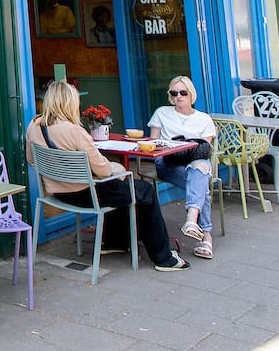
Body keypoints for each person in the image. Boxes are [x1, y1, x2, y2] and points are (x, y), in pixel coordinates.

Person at [26, 79, 189, 271]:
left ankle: (115, 243)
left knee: (121, 188)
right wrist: (116, 168)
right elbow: (103, 170)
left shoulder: (34, 127)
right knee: (143, 189)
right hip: (86, 196)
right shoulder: (75, 132)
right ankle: (164, 258)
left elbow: (31, 159)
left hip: (58, 194)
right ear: (69, 103)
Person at [149, 75, 218, 260]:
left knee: (200, 171)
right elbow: (153, 143)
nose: (178, 96)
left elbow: (204, 149)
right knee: (201, 184)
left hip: (194, 162)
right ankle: (205, 236)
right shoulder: (161, 113)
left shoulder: (203, 119)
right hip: (168, 162)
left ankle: (191, 221)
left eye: (183, 92)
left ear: (191, 94)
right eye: (174, 92)